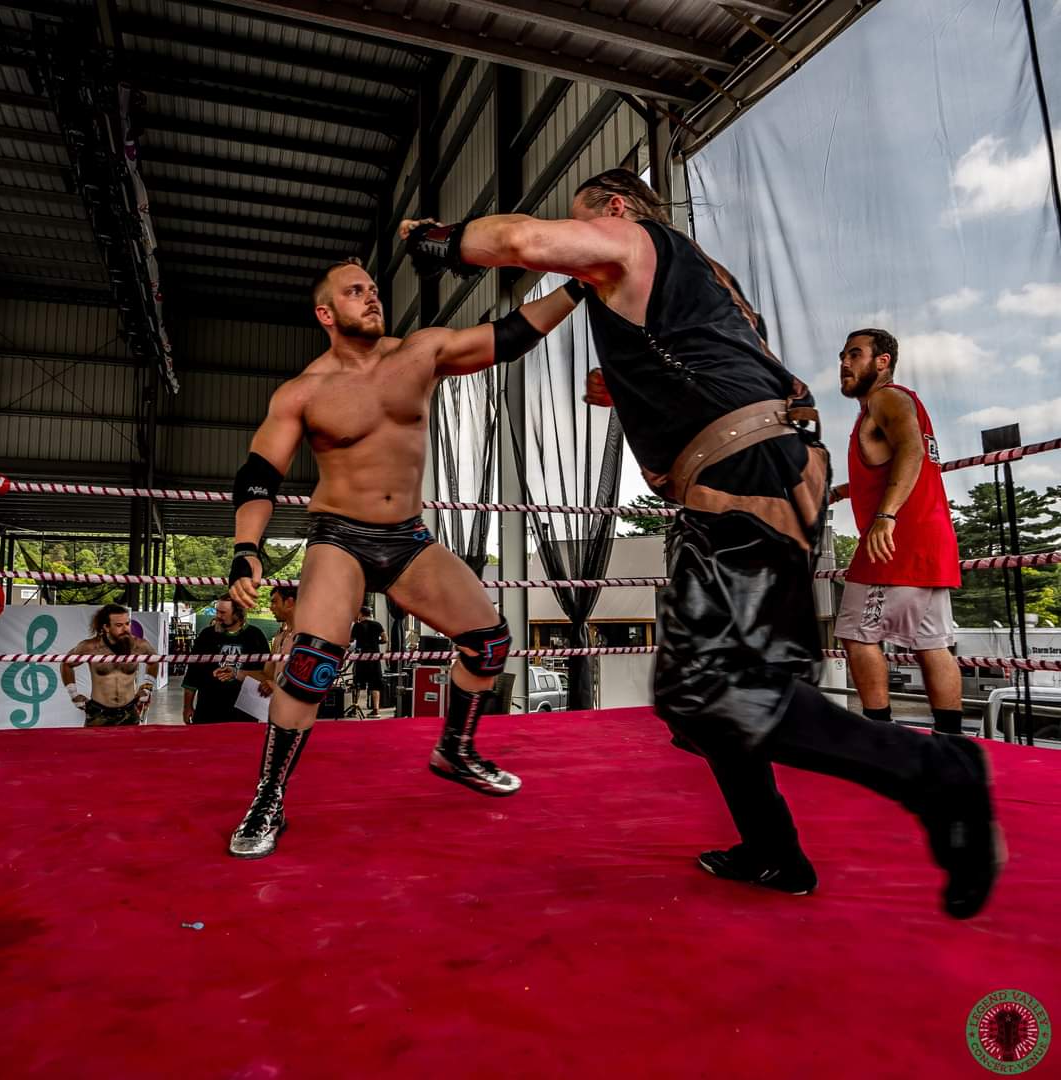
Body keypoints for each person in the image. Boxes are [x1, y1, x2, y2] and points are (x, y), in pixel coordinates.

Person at [399, 168, 1002, 918]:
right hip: (747, 474)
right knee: (708, 695)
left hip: (746, 475)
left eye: (582, 220)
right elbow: (727, 365)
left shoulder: (631, 237)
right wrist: (632, 383)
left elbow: (518, 240)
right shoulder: (703, 276)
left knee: (707, 691)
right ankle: (774, 850)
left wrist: (444, 240)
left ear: (613, 209)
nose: (581, 240)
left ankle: (937, 769)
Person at [225, 255, 581, 858]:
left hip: (408, 537)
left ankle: (455, 749)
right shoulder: (304, 391)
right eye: (354, 291)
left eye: (372, 289)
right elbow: (259, 476)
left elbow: (509, 335)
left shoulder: (420, 353)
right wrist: (246, 551)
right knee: (312, 663)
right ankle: (269, 795)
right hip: (339, 536)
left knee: (490, 642)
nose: (371, 297)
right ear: (326, 313)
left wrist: (581, 284)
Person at [831, 329, 964, 735]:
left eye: (855, 354)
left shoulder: (886, 398)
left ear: (882, 361)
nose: (845, 363)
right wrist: (842, 492)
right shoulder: (896, 404)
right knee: (932, 643)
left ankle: (878, 733)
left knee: (856, 634)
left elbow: (911, 451)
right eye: (843, 355)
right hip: (930, 539)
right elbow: (897, 463)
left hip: (895, 542)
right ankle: (950, 737)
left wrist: (885, 516)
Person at [60, 604, 158, 726]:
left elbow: (154, 661)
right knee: (95, 745)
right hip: (99, 712)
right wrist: (73, 693)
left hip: (129, 710)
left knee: (131, 745)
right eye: (119, 625)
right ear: (106, 627)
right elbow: (66, 664)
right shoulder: (90, 647)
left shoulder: (139, 646)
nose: (126, 629)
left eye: (127, 624)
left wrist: (147, 686)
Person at [181, 598, 269, 724]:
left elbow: (265, 674)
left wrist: (238, 673)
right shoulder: (206, 635)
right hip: (207, 712)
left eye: (223, 613)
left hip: (243, 715)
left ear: (238, 614)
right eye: (217, 611)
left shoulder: (255, 636)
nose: (218, 616)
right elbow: (193, 674)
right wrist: (187, 706)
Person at [254, 585, 298, 700]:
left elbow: (314, 680)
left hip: (300, 712)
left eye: (274, 602)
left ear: (289, 602)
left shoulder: (309, 636)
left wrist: (279, 688)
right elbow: (267, 675)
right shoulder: (279, 637)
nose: (271, 608)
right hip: (276, 710)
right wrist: (236, 672)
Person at [350, 605, 386, 716]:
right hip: (374, 658)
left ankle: (355, 708)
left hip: (361, 657)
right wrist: (375, 642)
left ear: (361, 614)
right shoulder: (377, 625)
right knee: (375, 683)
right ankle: (376, 710)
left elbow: (350, 640)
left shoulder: (357, 626)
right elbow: (385, 639)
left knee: (357, 683)